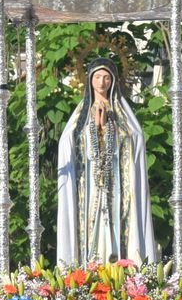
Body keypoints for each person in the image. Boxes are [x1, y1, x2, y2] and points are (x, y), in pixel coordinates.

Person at [56, 57, 157, 265]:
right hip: (89, 187)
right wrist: (93, 126)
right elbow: (68, 142)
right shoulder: (80, 115)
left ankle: (123, 271)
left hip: (118, 187)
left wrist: (109, 125)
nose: (102, 83)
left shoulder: (122, 114)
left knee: (116, 227)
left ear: (113, 81)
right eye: (98, 77)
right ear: (90, 80)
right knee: (90, 229)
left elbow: (134, 139)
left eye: (107, 78)